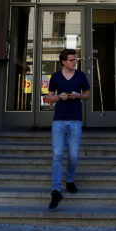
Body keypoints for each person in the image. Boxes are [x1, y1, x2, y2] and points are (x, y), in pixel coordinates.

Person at [44, 49, 90, 211]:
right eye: (71, 60)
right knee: (57, 154)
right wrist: (58, 97)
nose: (74, 62)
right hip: (59, 120)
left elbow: (87, 94)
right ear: (63, 61)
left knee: (74, 155)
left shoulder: (80, 75)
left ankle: (69, 179)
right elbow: (49, 100)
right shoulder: (55, 77)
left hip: (75, 120)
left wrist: (78, 96)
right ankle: (56, 190)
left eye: (75, 60)